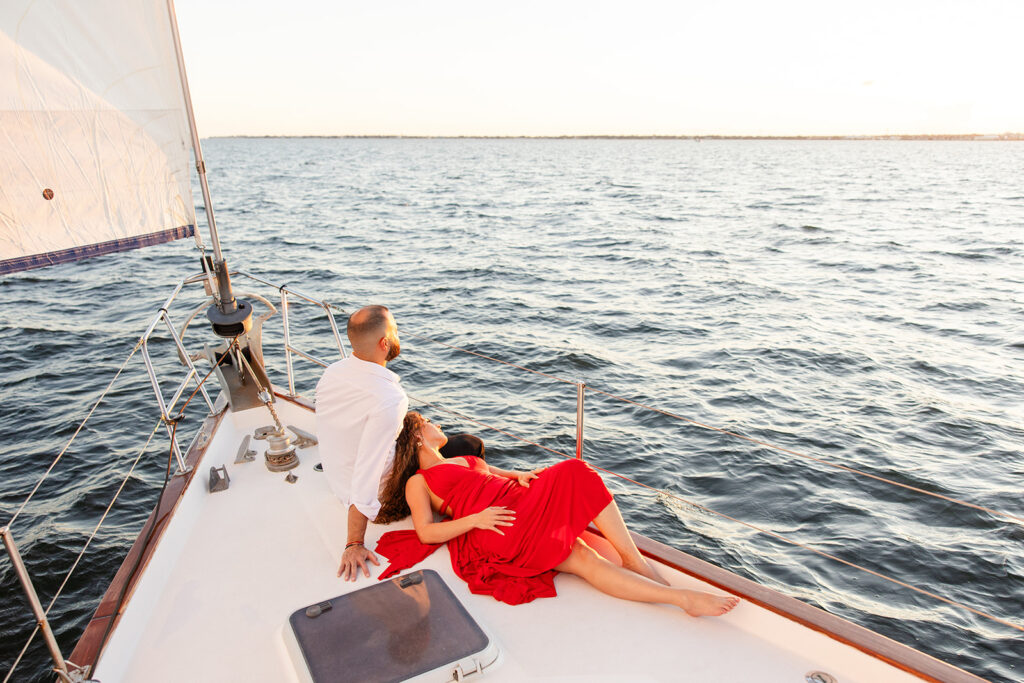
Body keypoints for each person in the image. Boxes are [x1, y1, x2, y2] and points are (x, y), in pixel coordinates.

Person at [374, 412, 739, 618]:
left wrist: (522, 475)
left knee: (576, 480)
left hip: (518, 500)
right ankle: (680, 598)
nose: (438, 422)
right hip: (496, 524)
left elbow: (505, 476)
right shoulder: (418, 482)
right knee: (581, 549)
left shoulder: (463, 459)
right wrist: (476, 520)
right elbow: (425, 533)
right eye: (429, 421)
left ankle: (633, 559)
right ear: (417, 436)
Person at [316, 305, 406, 581]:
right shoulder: (388, 399)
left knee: (415, 424)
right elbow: (368, 471)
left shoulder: (333, 372)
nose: (397, 334)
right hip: (380, 496)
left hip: (338, 482)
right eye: (394, 330)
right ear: (384, 343)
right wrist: (353, 542)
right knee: (466, 446)